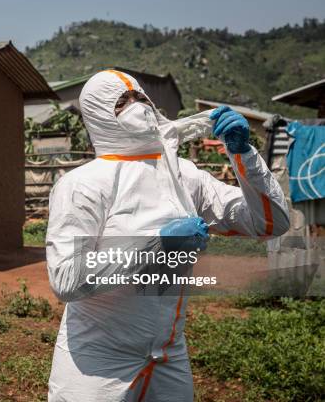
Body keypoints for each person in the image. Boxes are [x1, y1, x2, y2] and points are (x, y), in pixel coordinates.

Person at [46, 70, 290, 401]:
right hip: (97, 363)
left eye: (140, 97)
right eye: (122, 101)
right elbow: (66, 278)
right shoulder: (82, 185)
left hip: (167, 353)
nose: (138, 105)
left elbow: (270, 223)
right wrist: (156, 246)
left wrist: (243, 154)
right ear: (99, 116)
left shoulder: (184, 174)